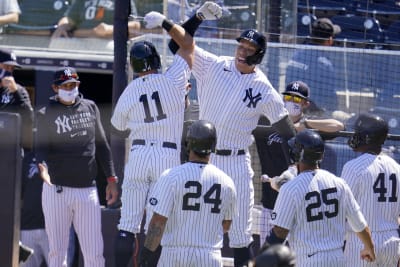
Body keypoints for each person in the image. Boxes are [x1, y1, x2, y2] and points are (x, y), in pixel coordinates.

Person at [144, 5, 297, 266]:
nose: (242, 51)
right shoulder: (215, 65)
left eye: (249, 49)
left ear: (258, 55)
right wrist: (176, 22)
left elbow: (285, 129)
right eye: (240, 46)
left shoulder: (264, 88)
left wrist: (294, 164)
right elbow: (180, 46)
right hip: (203, 158)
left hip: (237, 161)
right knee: (181, 220)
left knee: (240, 235)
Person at [110, 12, 198, 263]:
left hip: (138, 154)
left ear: (133, 66)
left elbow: (117, 128)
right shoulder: (173, 79)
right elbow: (187, 45)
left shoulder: (130, 90)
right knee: (157, 222)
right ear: (156, 60)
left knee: (127, 225)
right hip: (166, 156)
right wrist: (170, 23)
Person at [36, 66, 119, 267]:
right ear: (55, 88)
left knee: (94, 253)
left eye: (74, 84)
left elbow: (101, 145)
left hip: (87, 190)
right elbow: (40, 150)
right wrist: (42, 168)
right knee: (57, 253)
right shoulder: (44, 113)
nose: (71, 89)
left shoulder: (90, 107)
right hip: (57, 190)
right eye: (66, 85)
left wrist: (111, 178)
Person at [263, 129, 376, 267]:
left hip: (307, 261)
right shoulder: (339, 183)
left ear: (298, 154)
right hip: (337, 259)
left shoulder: (290, 188)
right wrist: (369, 247)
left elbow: (279, 232)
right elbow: (360, 223)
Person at [255, 80, 345, 243]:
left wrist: (305, 125)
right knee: (268, 256)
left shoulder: (311, 128)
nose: (291, 102)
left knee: (299, 255)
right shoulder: (267, 122)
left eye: (297, 100)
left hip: (302, 204)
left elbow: (338, 126)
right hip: (272, 203)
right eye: (288, 97)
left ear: (305, 104)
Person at [139, 120, 237, 267]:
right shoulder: (227, 182)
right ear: (213, 145)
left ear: (188, 144)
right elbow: (226, 225)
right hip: (209, 257)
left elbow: (158, 222)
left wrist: (145, 257)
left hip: (174, 256)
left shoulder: (171, 176)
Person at [341, 113, 400, 266]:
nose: (355, 136)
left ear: (366, 137)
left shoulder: (353, 167)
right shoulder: (396, 167)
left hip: (362, 241)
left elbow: (342, 210)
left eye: (358, 134)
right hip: (392, 241)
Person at [285, 18, 341, 114]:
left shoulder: (296, 55)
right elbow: (331, 100)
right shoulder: (325, 65)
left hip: (291, 107)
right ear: (330, 40)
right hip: (314, 113)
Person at [0, 48, 34, 153]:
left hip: (9, 150)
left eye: (12, 68)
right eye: (6, 66)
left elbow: (29, 118)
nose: (9, 71)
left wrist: (16, 93)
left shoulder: (19, 91)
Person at [20, 151, 49, 267]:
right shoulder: (27, 159)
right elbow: (19, 194)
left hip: (55, 227)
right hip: (28, 226)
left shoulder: (63, 155)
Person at [52, 0, 140, 38]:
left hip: (108, 43)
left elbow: (135, 25)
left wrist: (110, 29)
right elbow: (69, 19)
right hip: (80, 40)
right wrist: (62, 25)